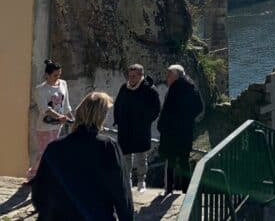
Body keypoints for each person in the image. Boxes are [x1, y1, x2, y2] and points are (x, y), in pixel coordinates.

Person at [31, 91, 133, 221]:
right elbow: (121, 193)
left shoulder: (55, 147)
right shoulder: (108, 147)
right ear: (100, 116)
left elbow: (39, 191)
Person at [114, 64, 161, 192]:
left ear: (141, 75)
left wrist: (145, 121)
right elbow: (118, 104)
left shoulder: (149, 89)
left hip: (141, 129)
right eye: (129, 76)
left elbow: (156, 108)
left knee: (141, 156)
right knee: (126, 156)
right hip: (125, 129)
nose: (131, 79)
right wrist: (117, 120)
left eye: (134, 76)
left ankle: (141, 181)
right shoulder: (124, 88)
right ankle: (127, 180)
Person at [157, 64, 203, 194]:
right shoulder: (192, 87)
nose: (167, 78)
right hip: (186, 130)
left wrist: (162, 126)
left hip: (172, 131)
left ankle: (169, 189)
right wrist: (188, 119)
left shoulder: (174, 89)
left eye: (169, 75)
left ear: (176, 76)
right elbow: (199, 107)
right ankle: (186, 190)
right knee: (184, 160)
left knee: (170, 159)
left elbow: (166, 111)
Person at [27, 59, 73, 182]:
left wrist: (71, 118)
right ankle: (33, 175)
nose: (57, 77)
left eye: (59, 75)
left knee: (56, 152)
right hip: (45, 127)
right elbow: (44, 110)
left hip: (59, 126)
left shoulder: (63, 84)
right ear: (47, 75)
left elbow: (66, 104)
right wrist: (59, 117)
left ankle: (50, 176)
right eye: (55, 75)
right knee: (44, 152)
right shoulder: (40, 89)